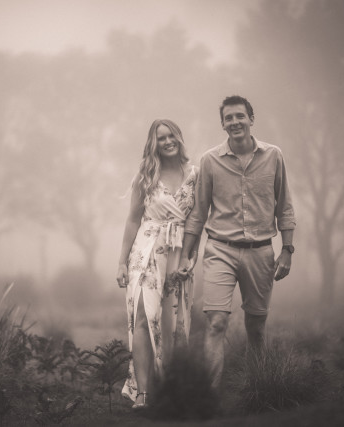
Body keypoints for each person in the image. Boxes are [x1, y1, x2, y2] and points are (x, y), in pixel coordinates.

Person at [177, 95, 296, 390]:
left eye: (240, 116)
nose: (235, 122)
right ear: (222, 124)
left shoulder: (274, 156)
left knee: (256, 327)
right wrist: (186, 256)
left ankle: (260, 389)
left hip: (261, 252)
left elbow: (285, 206)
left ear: (251, 119)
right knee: (216, 323)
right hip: (220, 250)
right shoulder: (210, 161)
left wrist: (287, 250)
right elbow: (198, 213)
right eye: (228, 118)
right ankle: (210, 397)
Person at [116, 119, 199, 409]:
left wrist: (190, 256)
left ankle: (171, 390)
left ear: (179, 137)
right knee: (143, 316)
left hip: (179, 254)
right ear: (154, 143)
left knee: (174, 324)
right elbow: (132, 220)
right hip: (147, 250)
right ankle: (143, 393)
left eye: (171, 135)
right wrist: (122, 262)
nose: (167, 141)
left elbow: (197, 221)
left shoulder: (196, 175)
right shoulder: (146, 175)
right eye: (161, 138)